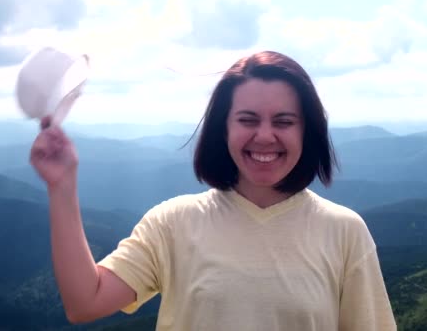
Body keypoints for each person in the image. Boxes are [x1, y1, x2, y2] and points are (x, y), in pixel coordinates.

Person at [30, 50, 397, 330]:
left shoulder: (345, 232)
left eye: (284, 121)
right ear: (224, 130)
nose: (265, 135)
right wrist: (62, 188)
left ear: (307, 132)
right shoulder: (173, 223)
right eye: (247, 120)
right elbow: (85, 302)